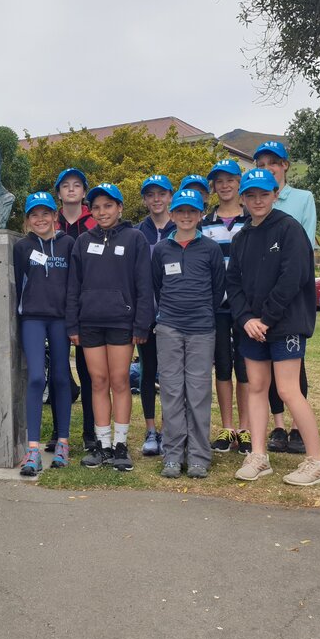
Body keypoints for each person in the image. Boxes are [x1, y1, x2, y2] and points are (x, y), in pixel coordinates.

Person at [226, 170, 320, 486]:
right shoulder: (242, 237)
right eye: (251, 195)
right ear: (243, 199)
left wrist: (267, 319)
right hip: (252, 327)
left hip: (284, 324)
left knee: (287, 390)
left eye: (264, 194)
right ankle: (258, 456)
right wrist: (246, 318)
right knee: (256, 387)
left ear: (274, 195)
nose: (257, 201)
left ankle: (317, 462)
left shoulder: (289, 229)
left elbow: (293, 278)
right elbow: (234, 283)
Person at [66, 182, 154, 472]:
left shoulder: (135, 238)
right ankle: (101, 446)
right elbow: (73, 287)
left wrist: (142, 324)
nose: (102, 212)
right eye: (96, 207)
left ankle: (120, 445)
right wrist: (73, 323)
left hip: (121, 322)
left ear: (120, 208)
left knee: (119, 381)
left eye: (108, 206)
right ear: (90, 211)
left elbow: (144, 285)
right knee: (98, 382)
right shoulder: (81, 242)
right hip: (90, 323)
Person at [151, 189, 226, 478]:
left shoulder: (210, 249)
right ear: (171, 214)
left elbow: (217, 290)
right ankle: (172, 455)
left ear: (200, 215)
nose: (185, 216)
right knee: (170, 392)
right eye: (180, 211)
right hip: (169, 327)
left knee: (197, 393)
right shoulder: (161, 250)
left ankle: (198, 456)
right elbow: (157, 285)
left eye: (191, 211)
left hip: (201, 330)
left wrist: (201, 312)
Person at [253, 141, 316, 455]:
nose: (268, 169)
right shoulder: (253, 198)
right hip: (259, 304)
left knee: (293, 370)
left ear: (286, 165)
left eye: (273, 163)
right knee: (264, 370)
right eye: (261, 164)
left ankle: (297, 429)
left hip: (289, 303)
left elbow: (301, 255)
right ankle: (277, 426)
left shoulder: (302, 199)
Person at [13, 191, 75, 476]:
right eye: (34, 214)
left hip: (61, 319)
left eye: (45, 213)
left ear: (55, 215)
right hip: (33, 319)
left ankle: (63, 442)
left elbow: (74, 286)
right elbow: (16, 285)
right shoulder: (22, 247)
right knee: (37, 377)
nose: (40, 219)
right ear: (28, 219)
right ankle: (33, 450)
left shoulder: (68, 244)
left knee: (61, 376)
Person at [200, 159, 252, 454]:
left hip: (245, 308)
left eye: (230, 179)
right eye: (219, 181)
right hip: (216, 307)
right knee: (222, 367)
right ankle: (227, 426)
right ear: (214, 186)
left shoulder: (252, 219)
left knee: (244, 369)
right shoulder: (204, 223)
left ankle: (245, 428)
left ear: (239, 182)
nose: (225, 185)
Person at [53, 167, 97, 451]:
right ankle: (59, 432)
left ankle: (91, 432)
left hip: (86, 307)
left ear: (83, 192)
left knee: (89, 371)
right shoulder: (47, 220)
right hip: (54, 306)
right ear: (58, 192)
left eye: (76, 185)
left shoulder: (94, 222)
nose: (71, 189)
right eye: (65, 185)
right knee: (57, 372)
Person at [135, 174, 175, 457]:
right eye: (151, 194)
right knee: (148, 373)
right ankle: (151, 431)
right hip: (146, 316)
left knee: (172, 376)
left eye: (162, 193)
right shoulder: (138, 233)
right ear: (145, 200)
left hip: (174, 316)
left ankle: (171, 429)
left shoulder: (182, 226)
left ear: (170, 196)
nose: (156, 199)